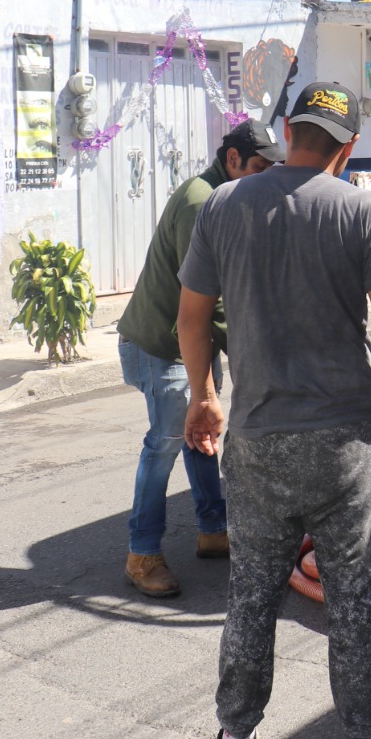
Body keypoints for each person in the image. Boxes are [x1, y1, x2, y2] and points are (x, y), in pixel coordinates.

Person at [177, 81, 371, 739]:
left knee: (251, 599)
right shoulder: (361, 210)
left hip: (258, 443)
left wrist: (204, 396)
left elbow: (191, 318)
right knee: (352, 603)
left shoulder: (224, 205)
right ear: (349, 146)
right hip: (345, 447)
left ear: (288, 130)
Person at [117, 119, 285, 598]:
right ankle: (141, 553)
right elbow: (209, 298)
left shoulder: (230, 196)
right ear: (232, 160)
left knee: (203, 434)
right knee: (167, 442)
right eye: (259, 167)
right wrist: (255, 354)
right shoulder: (202, 202)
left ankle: (213, 530)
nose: (266, 179)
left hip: (191, 339)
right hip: (161, 344)